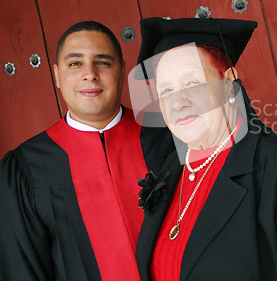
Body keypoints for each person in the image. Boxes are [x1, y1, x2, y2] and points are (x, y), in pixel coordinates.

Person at [131, 17, 277, 280]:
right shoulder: (169, 174)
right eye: (166, 91)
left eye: (193, 84)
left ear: (230, 81)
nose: (178, 103)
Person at [0, 21, 173, 280]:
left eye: (102, 62)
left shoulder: (168, 140)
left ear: (122, 70)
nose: (90, 74)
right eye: (75, 63)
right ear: (57, 76)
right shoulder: (26, 169)